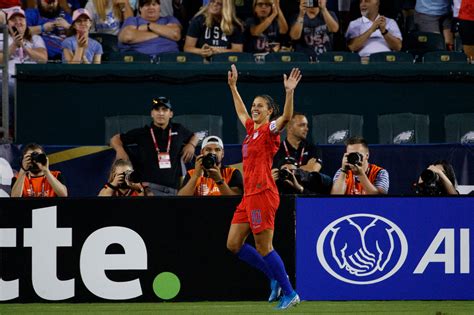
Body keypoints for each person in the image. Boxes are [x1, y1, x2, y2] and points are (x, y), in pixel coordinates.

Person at [226, 64, 302, 309]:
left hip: (263, 193)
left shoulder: (270, 131)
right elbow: (240, 113)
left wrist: (289, 92)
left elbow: (287, 118)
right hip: (249, 196)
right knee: (234, 244)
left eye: (260, 105)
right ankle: (273, 276)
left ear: (269, 111)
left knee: (264, 246)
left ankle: (290, 292)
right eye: (254, 104)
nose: (254, 108)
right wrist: (233, 87)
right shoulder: (251, 130)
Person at [110, 97, 199, 196]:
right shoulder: (143, 132)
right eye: (157, 109)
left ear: (171, 114)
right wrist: (120, 150)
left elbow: (195, 136)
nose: (160, 113)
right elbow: (114, 139)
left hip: (174, 190)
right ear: (152, 113)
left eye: (164, 110)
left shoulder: (179, 129)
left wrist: (191, 145)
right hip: (149, 189)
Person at [178, 135, 243, 196]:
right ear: (202, 152)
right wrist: (196, 176)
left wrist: (219, 180)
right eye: (208, 150)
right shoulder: (192, 173)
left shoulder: (232, 173)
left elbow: (237, 199)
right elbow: (181, 199)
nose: (213, 153)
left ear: (222, 154)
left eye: (217, 150)